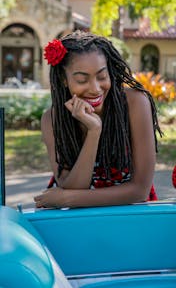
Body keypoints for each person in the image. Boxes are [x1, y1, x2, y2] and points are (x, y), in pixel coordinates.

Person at [34, 31, 162, 209]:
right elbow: (72, 187)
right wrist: (94, 132)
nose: (95, 88)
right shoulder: (53, 119)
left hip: (131, 214)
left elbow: (140, 190)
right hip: (78, 218)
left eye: (102, 76)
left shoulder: (135, 103)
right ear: (64, 79)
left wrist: (68, 199)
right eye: (81, 79)